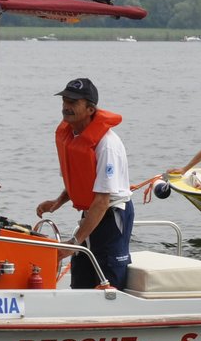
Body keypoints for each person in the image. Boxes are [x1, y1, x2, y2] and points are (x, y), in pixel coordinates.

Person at [36, 76, 134, 289]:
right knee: (80, 279)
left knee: (108, 280)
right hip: (91, 214)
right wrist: (58, 201)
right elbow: (82, 177)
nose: (66, 107)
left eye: (73, 102)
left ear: (90, 109)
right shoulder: (73, 135)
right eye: (64, 101)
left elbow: (101, 201)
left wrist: (74, 243)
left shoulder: (106, 146)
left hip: (110, 216)